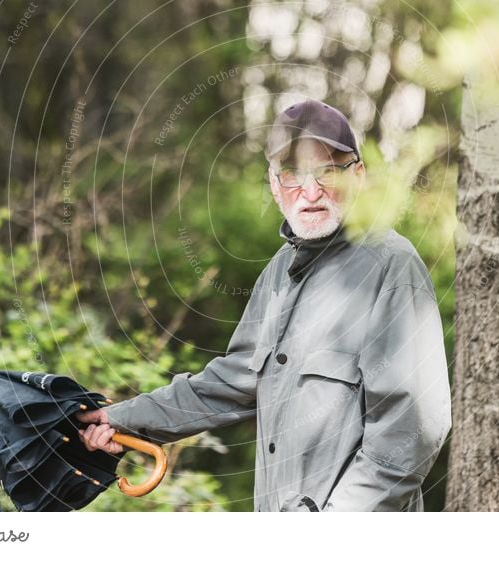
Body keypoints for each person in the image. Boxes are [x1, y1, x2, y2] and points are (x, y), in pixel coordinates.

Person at [77, 99, 452, 511]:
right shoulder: (277, 273)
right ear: (275, 186)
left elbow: (411, 431)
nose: (310, 192)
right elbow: (227, 386)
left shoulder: (391, 265)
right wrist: (122, 419)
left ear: (358, 176)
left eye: (328, 170)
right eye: (292, 175)